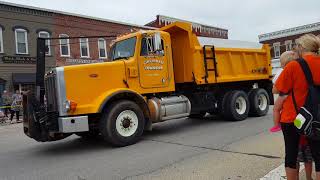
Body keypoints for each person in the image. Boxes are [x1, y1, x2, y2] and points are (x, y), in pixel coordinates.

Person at [273, 33, 320, 180]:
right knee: (319, 156)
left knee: (292, 155)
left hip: (293, 118)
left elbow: (279, 91)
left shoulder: (293, 65)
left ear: (301, 47)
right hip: (318, 116)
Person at [270, 51, 298, 132]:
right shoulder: (298, 69)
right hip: (294, 96)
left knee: (276, 109)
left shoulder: (282, 72)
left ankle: (276, 125)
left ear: (283, 63)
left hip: (284, 94)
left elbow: (275, 89)